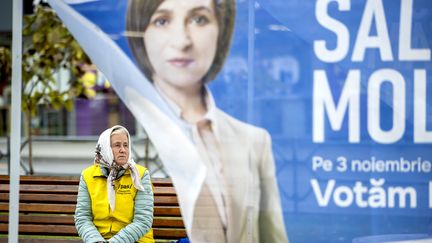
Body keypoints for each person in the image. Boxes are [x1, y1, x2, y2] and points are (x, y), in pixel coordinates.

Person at [126, 0, 288, 242]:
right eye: (162, 20)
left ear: (221, 31)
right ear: (141, 33)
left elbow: (273, 237)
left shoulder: (254, 140)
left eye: (199, 19)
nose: (182, 41)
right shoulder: (134, 128)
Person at [75, 125, 154, 243]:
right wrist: (96, 240)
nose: (123, 150)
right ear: (105, 148)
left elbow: (143, 221)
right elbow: (82, 218)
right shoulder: (87, 176)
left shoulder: (141, 175)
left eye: (126, 145)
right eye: (117, 145)